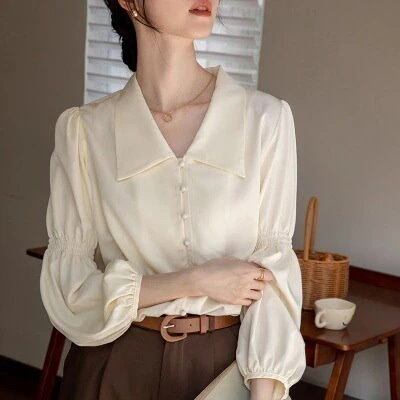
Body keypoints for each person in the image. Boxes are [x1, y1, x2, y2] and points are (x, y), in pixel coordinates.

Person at [39, 0, 306, 399]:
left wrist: (263, 393)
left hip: (225, 366)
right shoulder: (84, 131)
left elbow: (273, 274)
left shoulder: (265, 120)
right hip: (117, 363)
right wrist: (193, 280)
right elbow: (70, 290)